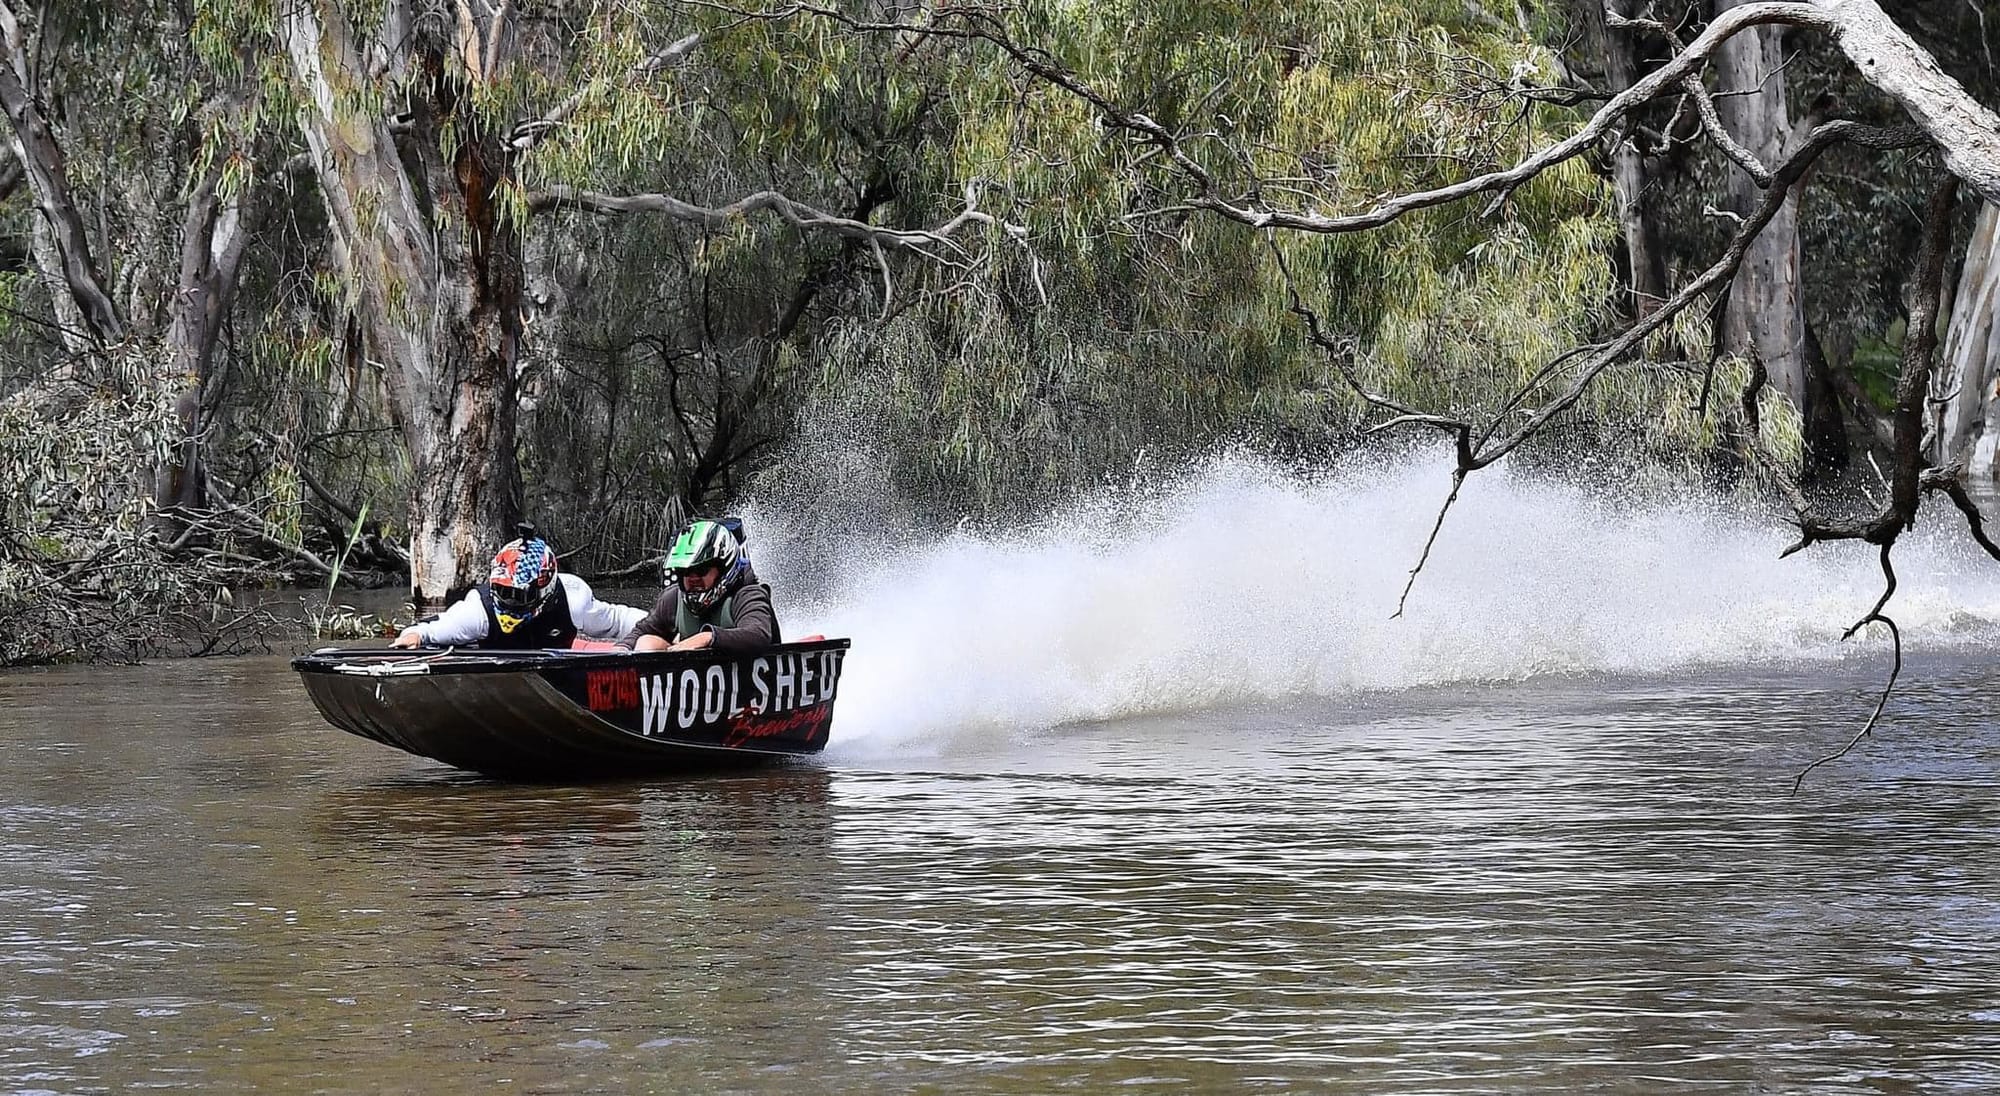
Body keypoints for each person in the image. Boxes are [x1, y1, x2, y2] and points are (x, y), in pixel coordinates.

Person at [392, 524, 646, 649]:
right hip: (496, 687)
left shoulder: (572, 597)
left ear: (544, 588)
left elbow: (617, 621)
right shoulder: (477, 612)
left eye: (519, 595)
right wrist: (413, 636)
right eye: (504, 592)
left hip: (557, 682)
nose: (510, 602)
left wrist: (659, 627)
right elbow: (431, 630)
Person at [621, 518, 780, 653]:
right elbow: (642, 631)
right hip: (693, 675)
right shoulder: (672, 598)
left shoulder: (748, 595)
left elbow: (758, 634)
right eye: (685, 571)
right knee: (647, 642)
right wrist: (621, 649)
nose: (693, 578)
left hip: (753, 674)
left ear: (723, 568)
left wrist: (708, 638)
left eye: (701, 570)